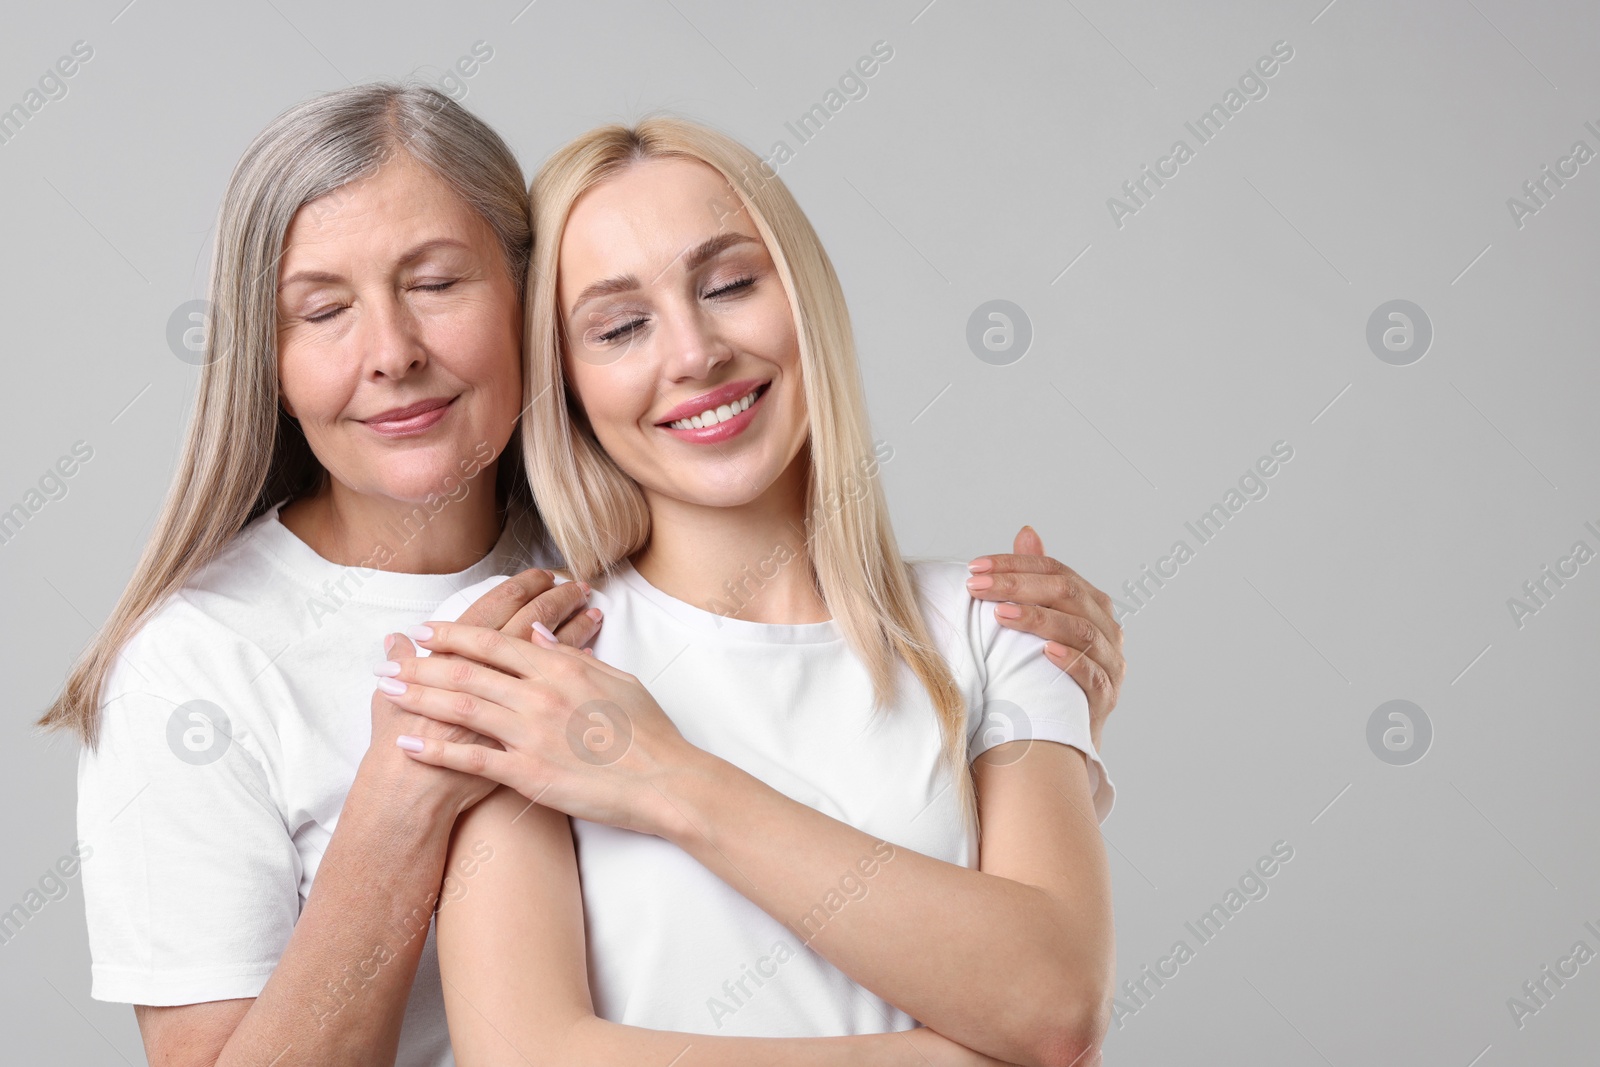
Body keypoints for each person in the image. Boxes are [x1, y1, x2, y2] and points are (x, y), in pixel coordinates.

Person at [39, 85, 1125, 1066]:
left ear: (525, 314)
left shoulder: (582, 590)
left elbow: (1043, 990)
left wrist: (1032, 683)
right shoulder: (232, 660)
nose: (392, 350)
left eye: (436, 281)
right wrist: (400, 803)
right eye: (322, 309)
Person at [385, 117, 1116, 1067]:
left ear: (804, 296)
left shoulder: (995, 623)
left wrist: (665, 777)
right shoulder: (520, 654)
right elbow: (525, 1055)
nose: (693, 352)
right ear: (565, 380)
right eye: (619, 327)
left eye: (729, 284)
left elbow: (1055, 1003)